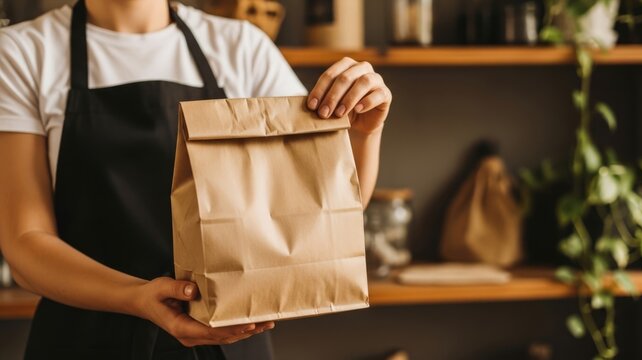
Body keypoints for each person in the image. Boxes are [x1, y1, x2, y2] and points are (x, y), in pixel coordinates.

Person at [0, 0, 391, 359]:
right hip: (83, 340)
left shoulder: (242, 48)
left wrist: (363, 133)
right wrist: (136, 297)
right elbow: (25, 241)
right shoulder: (22, 52)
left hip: (231, 337)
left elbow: (324, 211)